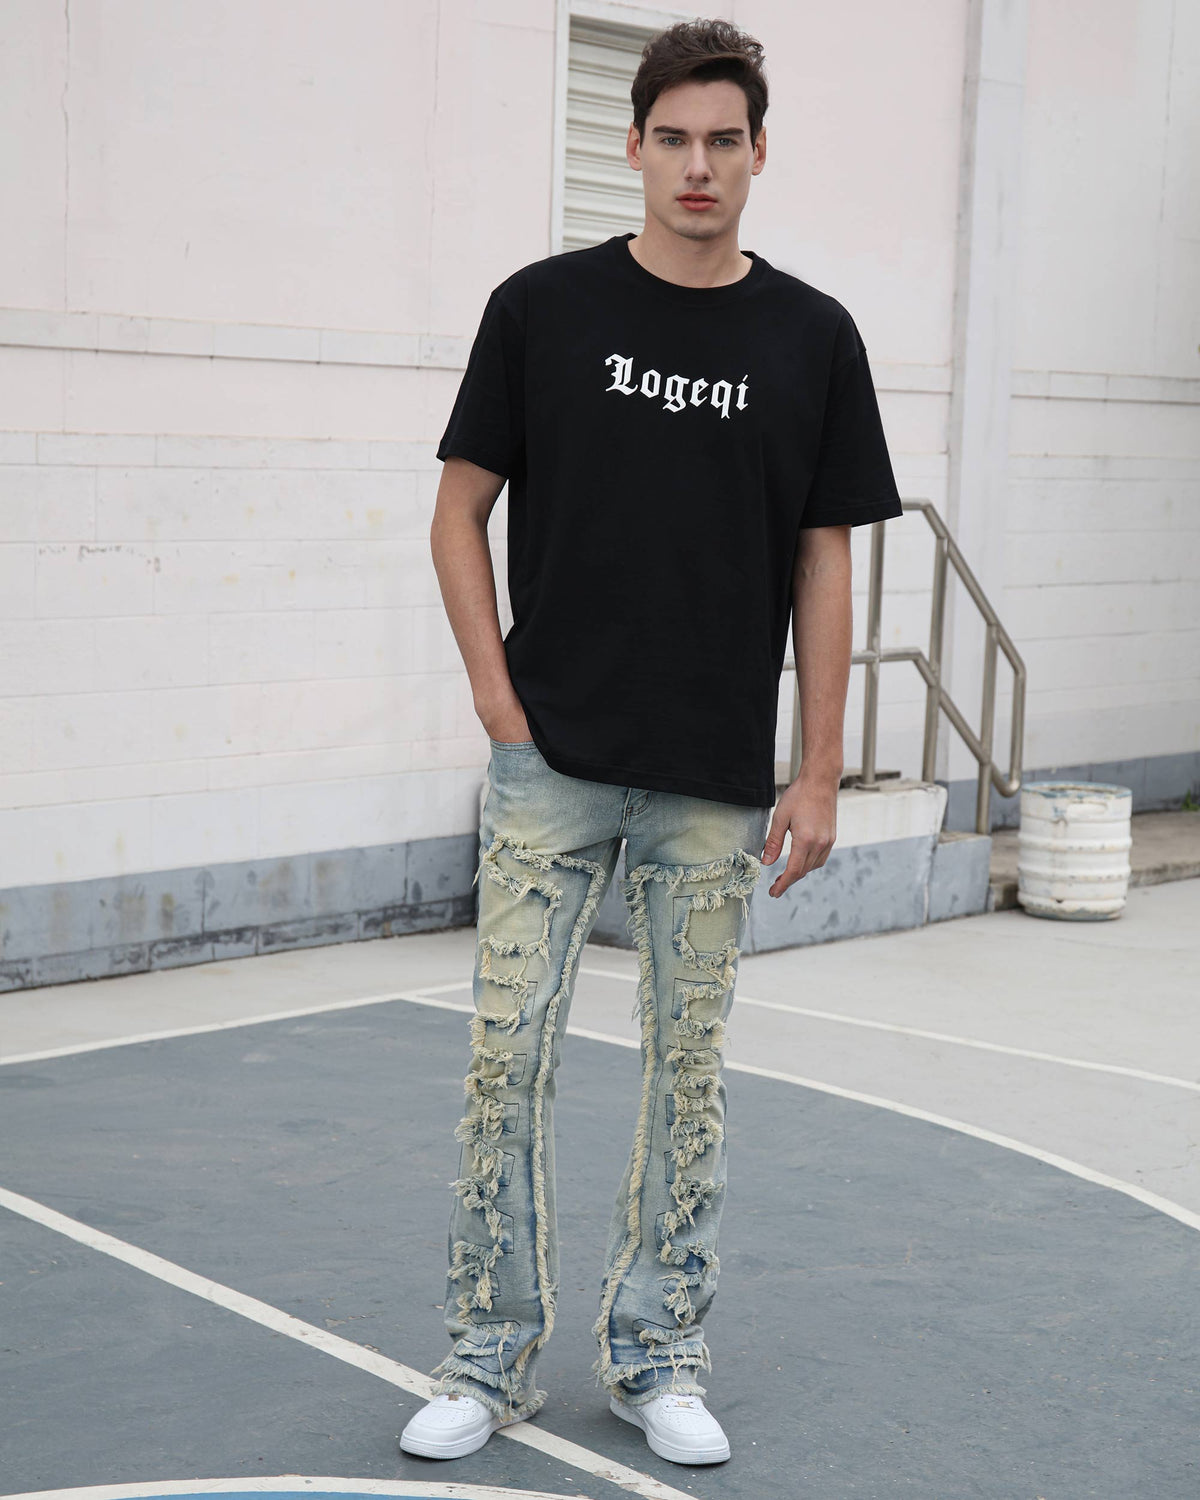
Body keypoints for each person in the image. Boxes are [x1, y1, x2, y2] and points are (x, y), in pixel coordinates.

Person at [399, 15, 903, 1468]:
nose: (698, 166)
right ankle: (487, 1362)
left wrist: (817, 768)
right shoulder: (540, 309)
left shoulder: (812, 336)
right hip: (549, 763)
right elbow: (456, 511)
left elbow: (825, 560)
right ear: (632, 146)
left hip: (712, 780)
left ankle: (657, 1356)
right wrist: (502, 707)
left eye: (723, 141)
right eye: (672, 139)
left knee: (687, 1076)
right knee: (508, 1062)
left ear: (758, 155)